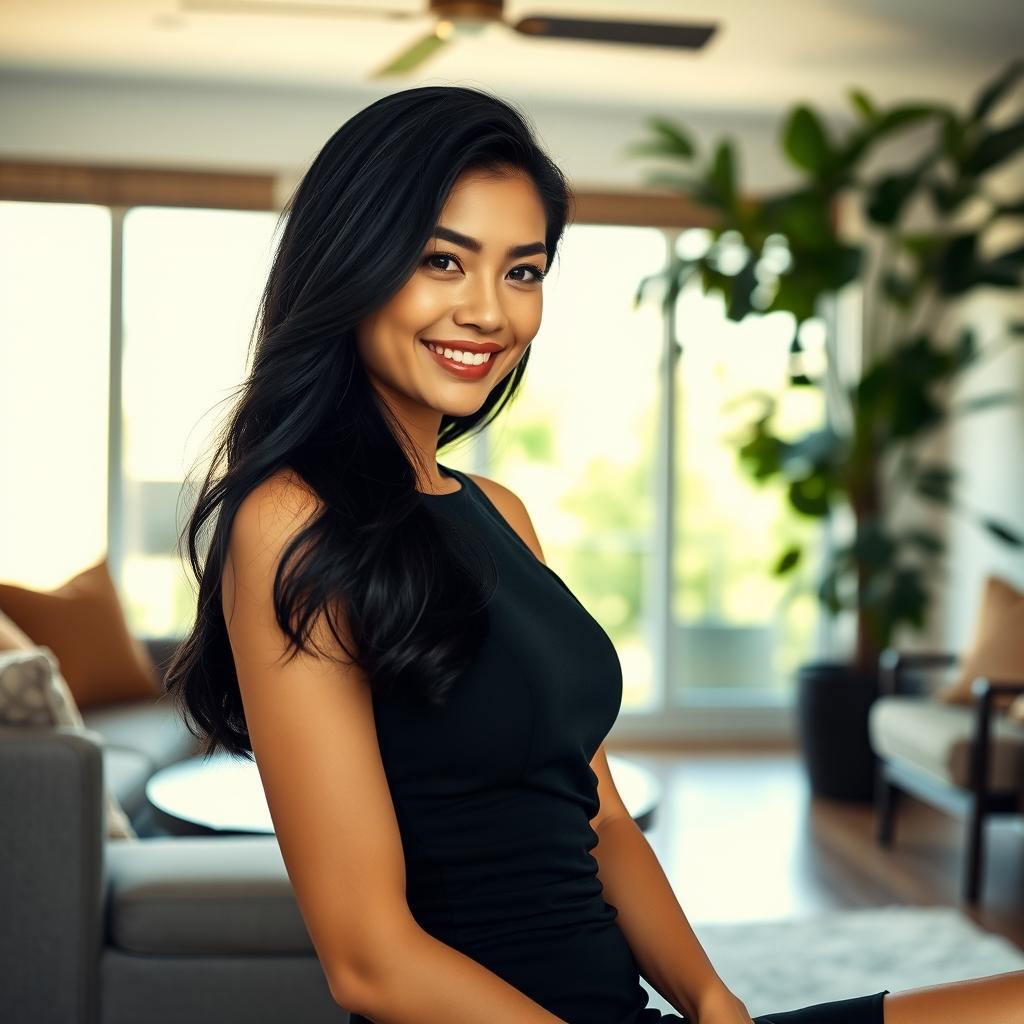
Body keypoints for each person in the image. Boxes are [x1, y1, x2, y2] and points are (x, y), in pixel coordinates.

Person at [164, 85, 1024, 1024]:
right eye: (440, 261)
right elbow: (369, 959)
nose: (488, 312)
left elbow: (602, 818)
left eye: (522, 272)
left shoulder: (498, 510)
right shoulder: (289, 519)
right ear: (351, 262)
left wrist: (712, 1000)